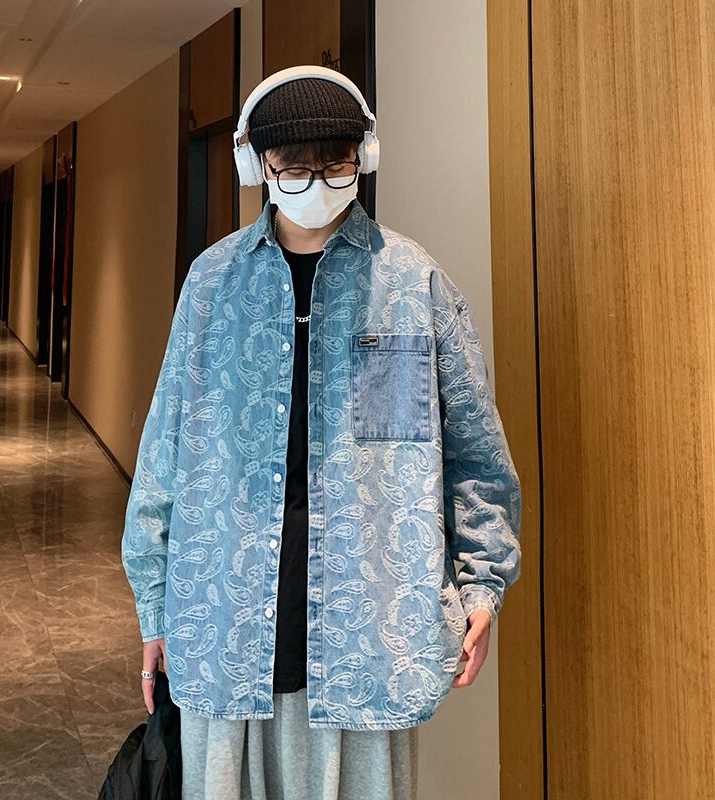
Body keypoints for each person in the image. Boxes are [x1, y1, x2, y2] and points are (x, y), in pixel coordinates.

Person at [121, 65, 522, 800]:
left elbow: (475, 455)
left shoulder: (414, 284)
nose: (314, 182)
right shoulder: (212, 284)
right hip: (224, 614)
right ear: (257, 167)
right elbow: (164, 451)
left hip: (372, 626)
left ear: (363, 158)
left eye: (334, 164)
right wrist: (155, 603)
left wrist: (481, 584)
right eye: (292, 167)